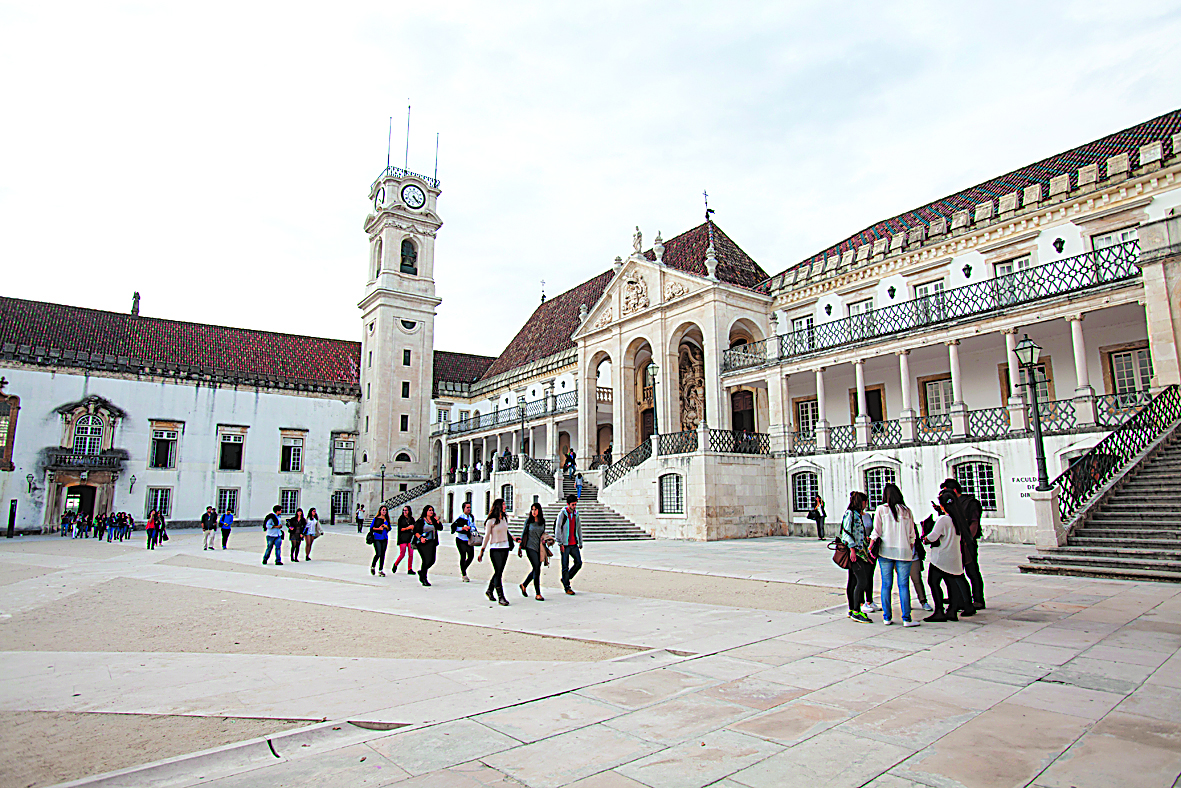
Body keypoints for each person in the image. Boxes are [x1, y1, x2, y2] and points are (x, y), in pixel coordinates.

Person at [871, 483, 920, 627]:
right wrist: (908, 547)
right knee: (903, 585)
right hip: (903, 551)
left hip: (886, 551)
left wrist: (870, 547)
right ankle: (906, 618)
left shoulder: (881, 509)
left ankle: (887, 617)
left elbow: (876, 532)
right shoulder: (906, 511)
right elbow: (912, 535)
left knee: (886, 584)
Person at [922, 490, 970, 622]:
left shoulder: (943, 519)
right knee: (952, 584)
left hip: (941, 558)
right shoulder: (958, 518)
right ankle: (952, 610)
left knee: (933, 582)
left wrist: (925, 538)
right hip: (955, 557)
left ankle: (939, 611)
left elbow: (933, 537)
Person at [941, 478, 986, 609]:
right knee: (955, 571)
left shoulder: (970, 503)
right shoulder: (952, 504)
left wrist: (968, 540)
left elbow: (974, 522)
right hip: (954, 543)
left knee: (972, 571)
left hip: (966, 542)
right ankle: (958, 597)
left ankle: (978, 599)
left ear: (954, 490)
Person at [841, 492, 873, 622]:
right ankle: (856, 610)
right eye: (865, 501)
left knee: (853, 581)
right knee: (862, 581)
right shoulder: (850, 514)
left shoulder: (858, 515)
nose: (866, 504)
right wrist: (852, 549)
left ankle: (852, 609)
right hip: (855, 553)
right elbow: (846, 533)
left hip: (861, 552)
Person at [479, 498, 513, 606]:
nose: (505, 506)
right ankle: (501, 596)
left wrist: (513, 538)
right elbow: (487, 536)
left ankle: (489, 590)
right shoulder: (491, 521)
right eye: (503, 504)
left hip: (505, 547)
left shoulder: (504, 518)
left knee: (499, 571)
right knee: (498, 572)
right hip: (495, 548)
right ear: (498, 506)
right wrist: (482, 550)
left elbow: (506, 531)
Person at [519, 502, 548, 601]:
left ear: (539, 510)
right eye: (532, 509)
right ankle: (538, 593)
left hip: (539, 547)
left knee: (536, 568)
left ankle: (524, 584)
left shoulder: (542, 521)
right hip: (530, 547)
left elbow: (543, 533)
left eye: (535, 509)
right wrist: (520, 546)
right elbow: (524, 533)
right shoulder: (528, 521)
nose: (533, 511)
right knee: (537, 568)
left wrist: (545, 540)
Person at [554, 494, 582, 595]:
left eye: (575, 505)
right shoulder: (562, 514)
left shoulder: (576, 514)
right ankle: (567, 586)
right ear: (568, 504)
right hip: (565, 544)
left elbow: (578, 528)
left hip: (574, 543)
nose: (574, 507)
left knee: (578, 563)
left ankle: (566, 578)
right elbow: (558, 528)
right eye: (572, 505)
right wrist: (560, 542)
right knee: (565, 565)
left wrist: (580, 541)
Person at [414, 504, 441, 586]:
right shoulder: (421, 520)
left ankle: (422, 572)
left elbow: (440, 528)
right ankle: (424, 578)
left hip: (432, 542)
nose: (431, 512)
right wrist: (421, 538)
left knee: (432, 560)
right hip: (422, 543)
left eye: (432, 510)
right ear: (425, 511)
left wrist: (437, 521)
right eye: (429, 510)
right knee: (426, 560)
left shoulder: (433, 520)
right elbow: (415, 531)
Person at [452, 501, 478, 582]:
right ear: (464, 508)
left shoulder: (471, 517)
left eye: (470, 507)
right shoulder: (460, 517)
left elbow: (474, 526)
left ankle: (463, 568)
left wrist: (471, 528)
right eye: (467, 507)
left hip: (469, 539)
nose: (469, 509)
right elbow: (454, 528)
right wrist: (462, 528)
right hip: (461, 539)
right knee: (463, 555)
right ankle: (464, 574)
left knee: (471, 556)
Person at [392, 505, 416, 574]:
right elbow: (400, 529)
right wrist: (408, 528)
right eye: (403, 510)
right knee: (402, 554)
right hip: (403, 537)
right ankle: (396, 564)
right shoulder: (401, 519)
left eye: (406, 510)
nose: (404, 512)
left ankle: (410, 569)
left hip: (410, 537)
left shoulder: (411, 519)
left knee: (411, 554)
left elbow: (415, 527)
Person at [369, 505, 391, 576]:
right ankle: (373, 566)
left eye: (385, 510)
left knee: (383, 554)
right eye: (383, 510)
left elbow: (389, 528)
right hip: (377, 537)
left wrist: (386, 527)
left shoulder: (387, 519)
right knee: (378, 553)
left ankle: (380, 569)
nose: (384, 511)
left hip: (384, 538)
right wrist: (379, 529)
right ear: (380, 511)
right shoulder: (376, 519)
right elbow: (371, 528)